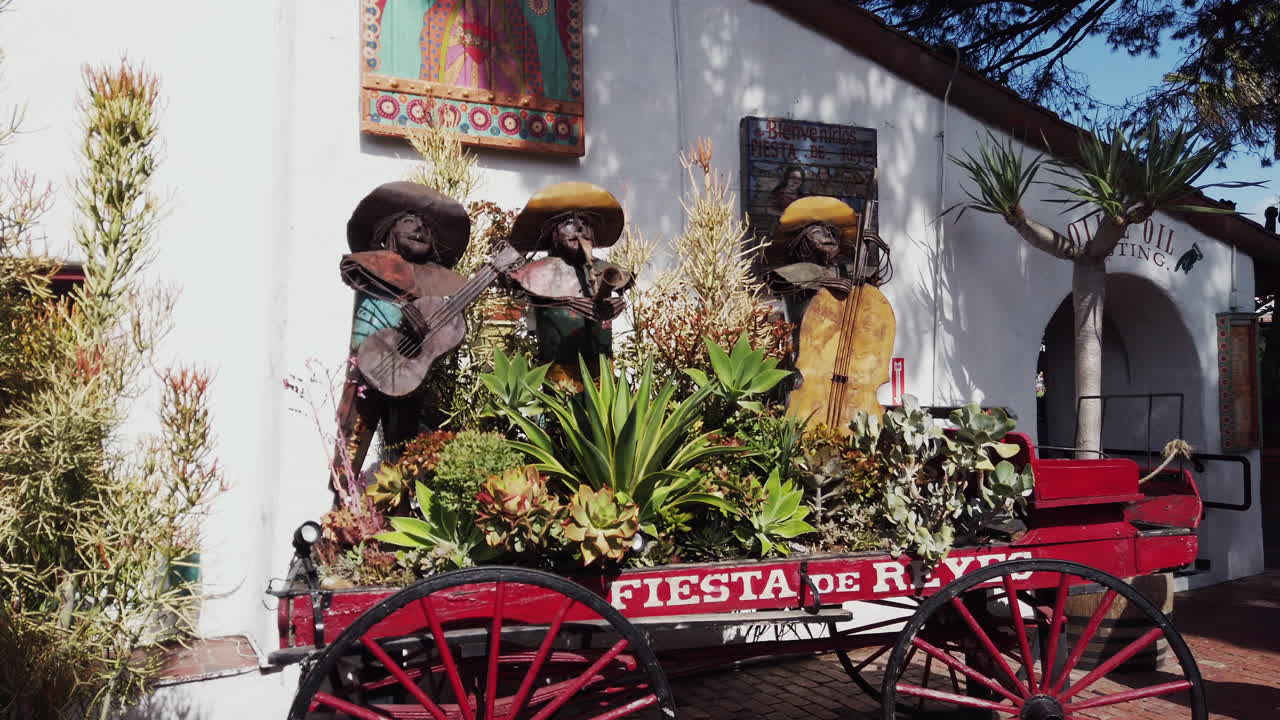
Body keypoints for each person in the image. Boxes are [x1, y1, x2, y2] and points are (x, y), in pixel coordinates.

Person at [332, 181, 471, 496]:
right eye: (410, 221)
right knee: (351, 443)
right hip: (365, 367)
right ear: (390, 228)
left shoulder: (432, 278)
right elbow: (352, 272)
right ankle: (340, 507)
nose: (420, 229)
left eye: (427, 228)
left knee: (404, 450)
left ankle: (402, 506)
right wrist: (403, 304)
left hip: (408, 373)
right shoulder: (371, 265)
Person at [503, 182, 633, 391]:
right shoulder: (534, 273)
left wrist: (615, 305)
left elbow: (621, 289)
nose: (579, 228)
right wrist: (570, 304)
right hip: (560, 370)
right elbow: (509, 281)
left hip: (601, 368)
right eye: (569, 222)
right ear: (553, 233)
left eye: (585, 222)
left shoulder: (605, 269)